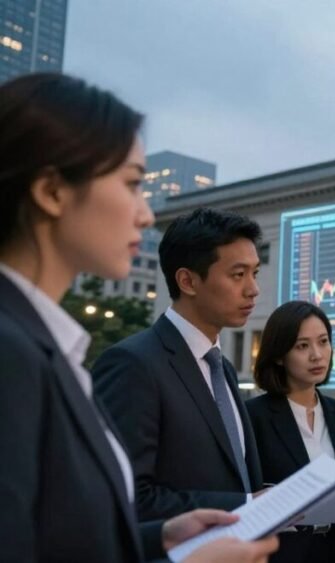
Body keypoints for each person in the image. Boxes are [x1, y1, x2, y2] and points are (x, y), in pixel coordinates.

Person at [0, 72, 276, 562]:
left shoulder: (48, 347)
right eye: (131, 184)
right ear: (52, 191)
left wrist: (161, 538)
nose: (146, 215)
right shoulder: (12, 352)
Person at [94, 207, 264, 521]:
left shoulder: (221, 367)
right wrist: (245, 504)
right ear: (187, 280)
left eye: (255, 273)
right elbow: (126, 495)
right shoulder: (132, 365)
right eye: (238, 275)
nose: (253, 289)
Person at [247, 301, 335, 563]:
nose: (317, 355)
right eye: (302, 346)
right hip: (278, 554)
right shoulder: (253, 415)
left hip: (333, 551)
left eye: (323, 341)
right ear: (278, 355)